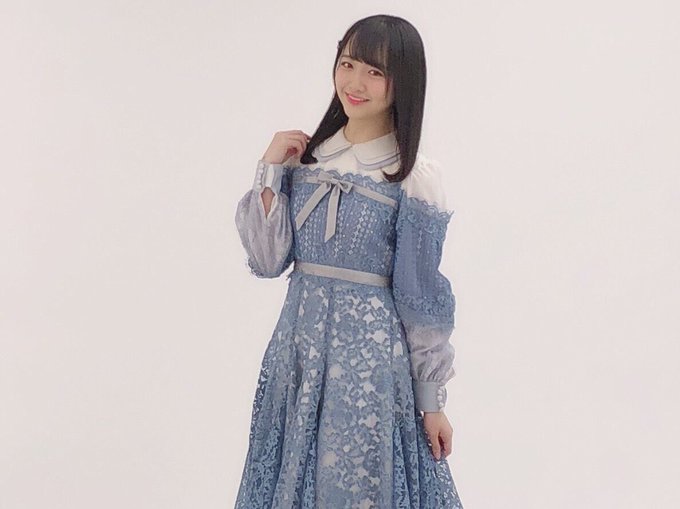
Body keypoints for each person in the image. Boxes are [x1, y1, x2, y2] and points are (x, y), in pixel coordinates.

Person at [234, 14, 464, 508]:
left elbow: (421, 297)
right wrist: (270, 168)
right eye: (348, 64)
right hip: (296, 358)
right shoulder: (303, 160)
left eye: (375, 72)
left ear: (403, 82)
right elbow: (268, 260)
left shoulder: (413, 177)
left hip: (368, 369)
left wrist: (431, 402)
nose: (355, 83)